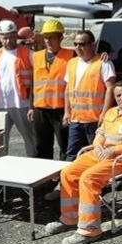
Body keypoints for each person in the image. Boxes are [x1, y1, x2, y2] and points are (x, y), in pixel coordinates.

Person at [42, 80, 122, 244]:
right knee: (67, 173)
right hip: (99, 153)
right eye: (118, 95)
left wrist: (114, 151)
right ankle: (69, 218)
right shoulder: (111, 112)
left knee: (88, 178)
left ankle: (90, 230)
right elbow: (100, 132)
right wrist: (98, 143)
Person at [0, 20, 37, 157]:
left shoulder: (28, 54)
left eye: (11, 36)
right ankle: (1, 170)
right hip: (0, 106)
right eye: (4, 37)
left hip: (22, 105)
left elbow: (37, 79)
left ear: (16, 35)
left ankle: (33, 168)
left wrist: (32, 105)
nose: (8, 40)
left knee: (31, 139)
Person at [63, 31, 116, 162]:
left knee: (96, 155)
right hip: (76, 119)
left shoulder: (103, 63)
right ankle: (67, 181)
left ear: (92, 45)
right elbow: (68, 89)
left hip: (95, 119)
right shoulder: (72, 63)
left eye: (82, 44)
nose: (78, 48)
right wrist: (67, 112)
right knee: (72, 154)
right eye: (75, 44)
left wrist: (104, 114)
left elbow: (110, 88)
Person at [27, 19, 74, 162]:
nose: (48, 40)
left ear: (60, 37)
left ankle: (62, 178)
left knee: (65, 146)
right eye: (46, 37)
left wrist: (104, 55)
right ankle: (44, 180)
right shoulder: (36, 56)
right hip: (40, 109)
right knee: (42, 146)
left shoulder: (71, 55)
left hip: (61, 109)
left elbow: (90, 56)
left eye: (52, 37)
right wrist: (31, 107)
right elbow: (34, 82)